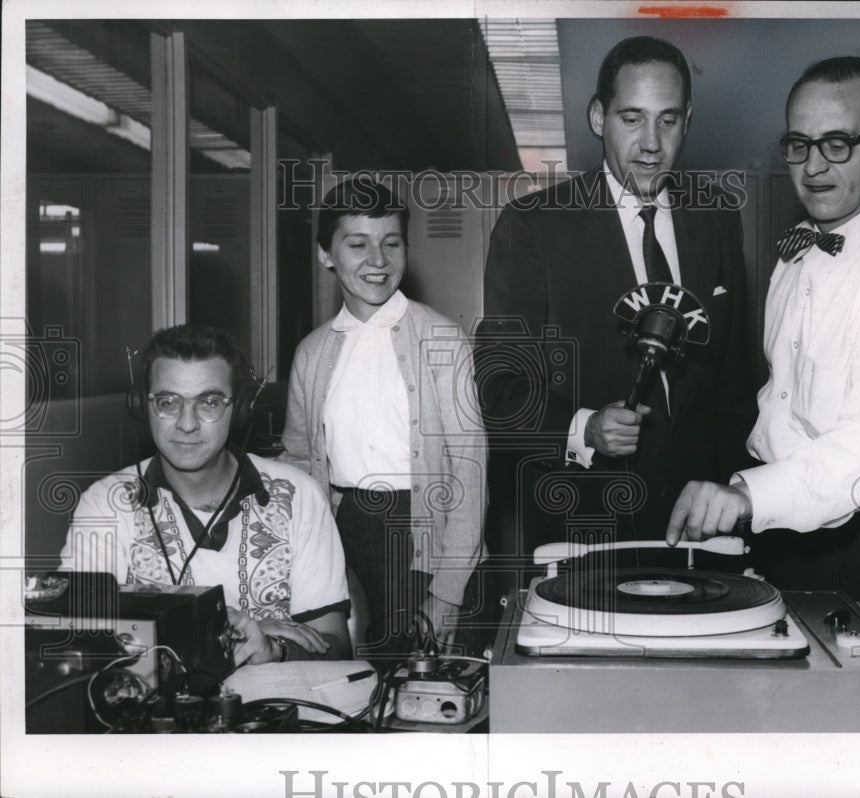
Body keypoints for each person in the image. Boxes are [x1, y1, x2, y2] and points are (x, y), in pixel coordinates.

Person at [665, 57, 860, 619]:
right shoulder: (801, 245)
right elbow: (782, 404)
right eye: (798, 144)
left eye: (838, 144)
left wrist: (747, 497)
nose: (812, 166)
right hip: (795, 530)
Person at [475, 36, 756, 561]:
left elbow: (736, 384)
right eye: (632, 118)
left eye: (668, 120)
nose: (652, 143)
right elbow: (500, 386)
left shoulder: (716, 218)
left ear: (688, 121)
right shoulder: (534, 226)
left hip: (699, 522)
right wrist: (584, 427)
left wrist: (742, 495)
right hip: (582, 520)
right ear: (598, 117)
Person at [60, 324, 352, 667]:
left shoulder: (299, 495)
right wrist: (219, 636)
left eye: (209, 402)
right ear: (142, 405)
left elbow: (336, 649)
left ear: (239, 409)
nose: (187, 424)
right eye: (168, 402)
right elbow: (76, 645)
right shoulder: (105, 504)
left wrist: (274, 649)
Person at [279, 176, 487, 656]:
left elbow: (470, 470)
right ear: (325, 255)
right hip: (345, 532)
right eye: (358, 244)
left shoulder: (441, 340)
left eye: (391, 243)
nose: (378, 260)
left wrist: (447, 591)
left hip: (426, 536)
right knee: (355, 686)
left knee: (428, 696)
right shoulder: (311, 353)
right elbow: (298, 463)